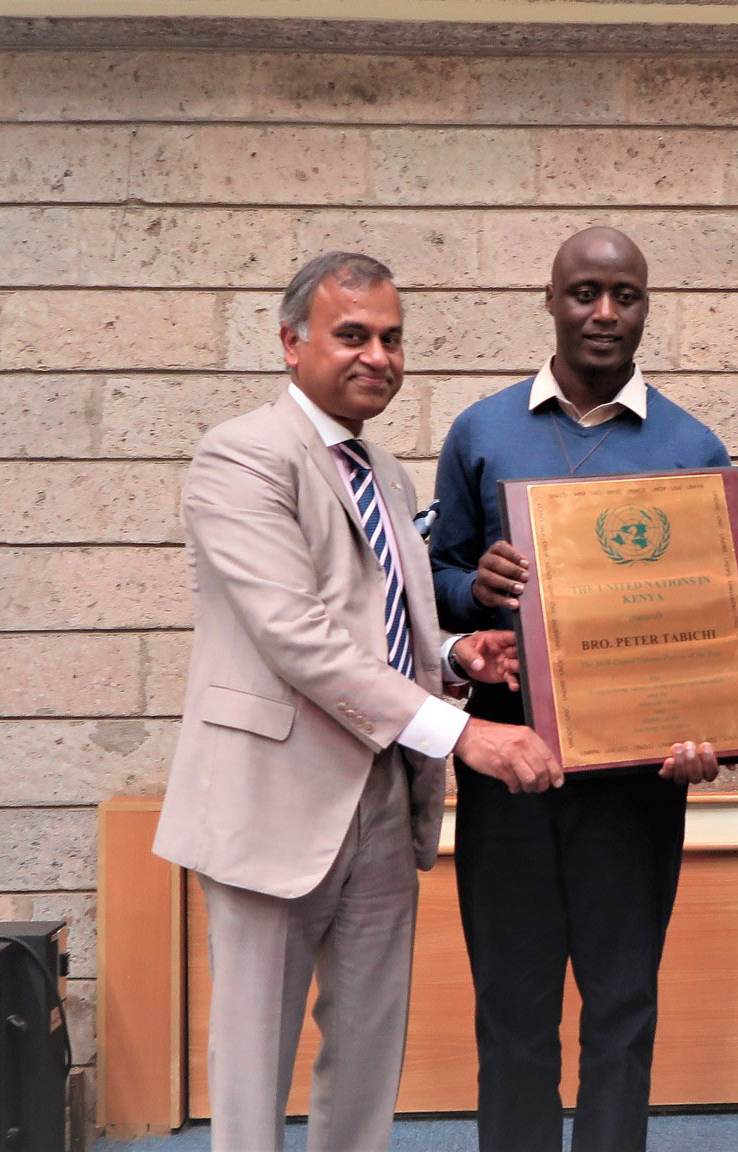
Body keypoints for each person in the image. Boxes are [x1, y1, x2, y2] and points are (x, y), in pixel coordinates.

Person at [152, 252, 561, 1152]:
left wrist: (457, 653)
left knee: (370, 1054)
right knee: (254, 1068)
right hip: (273, 800)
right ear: (291, 344)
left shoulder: (388, 473)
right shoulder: (241, 457)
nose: (378, 355)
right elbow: (298, 637)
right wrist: (467, 737)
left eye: (392, 337)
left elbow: (377, 625)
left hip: (382, 799)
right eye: (352, 336)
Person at [428, 226, 728, 1152]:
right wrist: (473, 589)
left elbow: (725, 624)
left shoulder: (692, 444)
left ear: (646, 306)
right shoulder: (481, 430)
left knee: (623, 1010)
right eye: (585, 292)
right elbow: (429, 576)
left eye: (625, 295)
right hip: (510, 765)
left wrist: (717, 730)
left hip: (636, 782)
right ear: (550, 300)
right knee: (513, 1013)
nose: (604, 313)